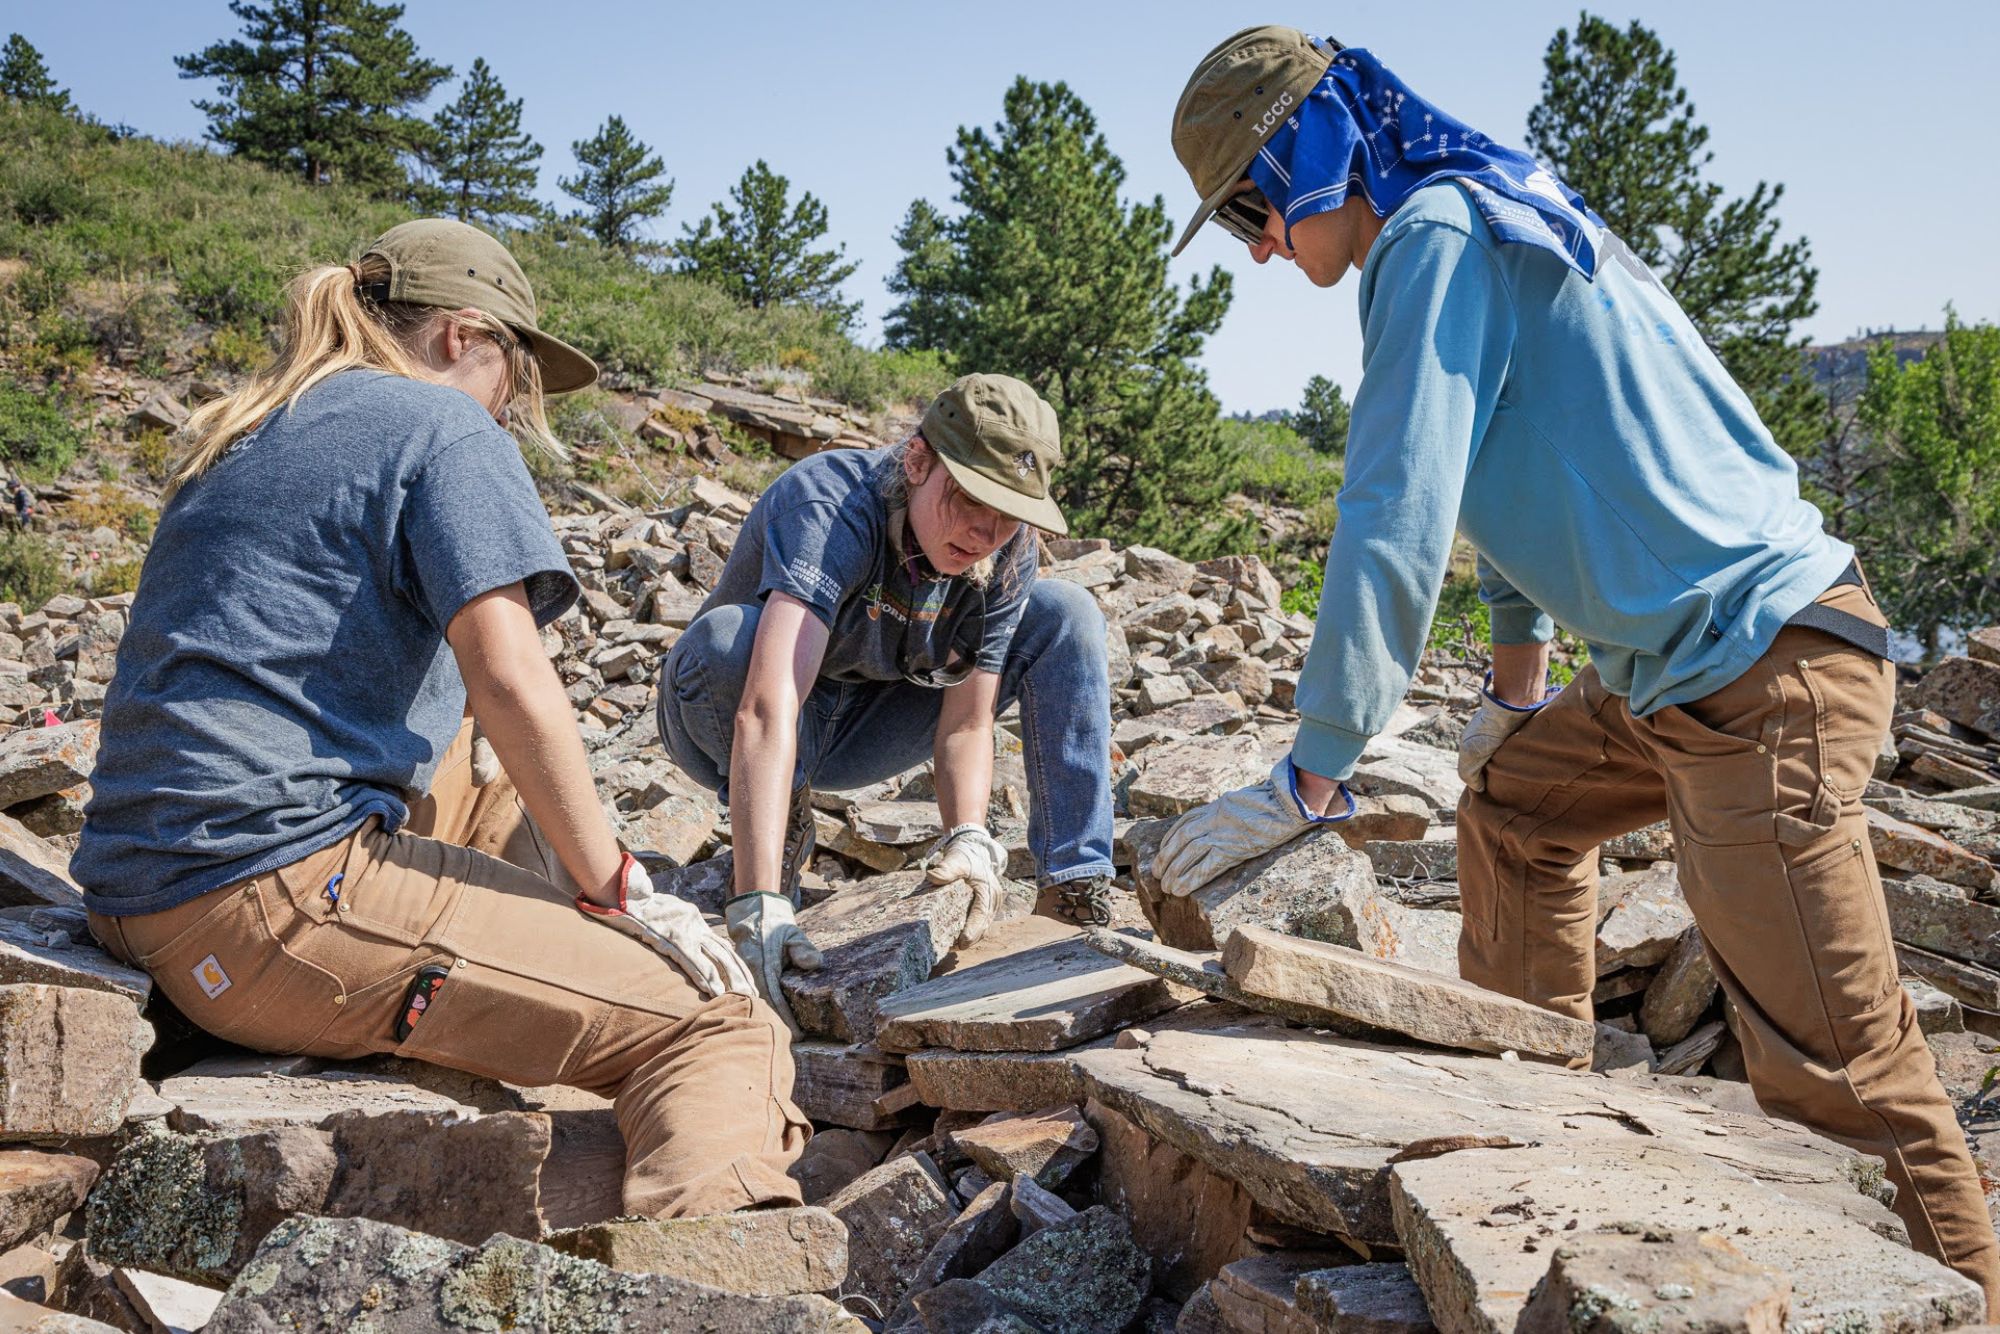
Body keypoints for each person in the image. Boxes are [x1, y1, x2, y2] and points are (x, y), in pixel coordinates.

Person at [1154, 25, 2000, 1301]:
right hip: (1686, 663)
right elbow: (1514, 482)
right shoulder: (1474, 219)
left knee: (1841, 1079)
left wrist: (1311, 772)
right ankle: (1537, 1135)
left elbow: (1398, 504)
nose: (1260, 247)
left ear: (1314, 155)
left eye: (1247, 212)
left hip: (1760, 671)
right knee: (1514, 804)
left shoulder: (1435, 235)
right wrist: (1512, 695)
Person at [74, 218, 807, 1220]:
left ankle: (563, 944)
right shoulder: (442, 423)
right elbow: (511, 676)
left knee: (473, 754)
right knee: (717, 1026)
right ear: (463, 336)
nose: (515, 404)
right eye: (517, 369)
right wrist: (622, 886)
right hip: (266, 906)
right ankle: (711, 1272)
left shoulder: (251, 422)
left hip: (135, 890)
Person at [657, 373, 1117, 1030]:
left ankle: (1076, 893)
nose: (985, 532)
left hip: (869, 725)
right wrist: (757, 901)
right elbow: (766, 706)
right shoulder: (829, 503)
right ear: (917, 461)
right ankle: (775, 839)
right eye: (968, 500)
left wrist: (968, 836)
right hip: (735, 705)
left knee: (1068, 612)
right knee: (734, 639)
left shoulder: (1005, 546)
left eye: (1007, 514)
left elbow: (967, 719)